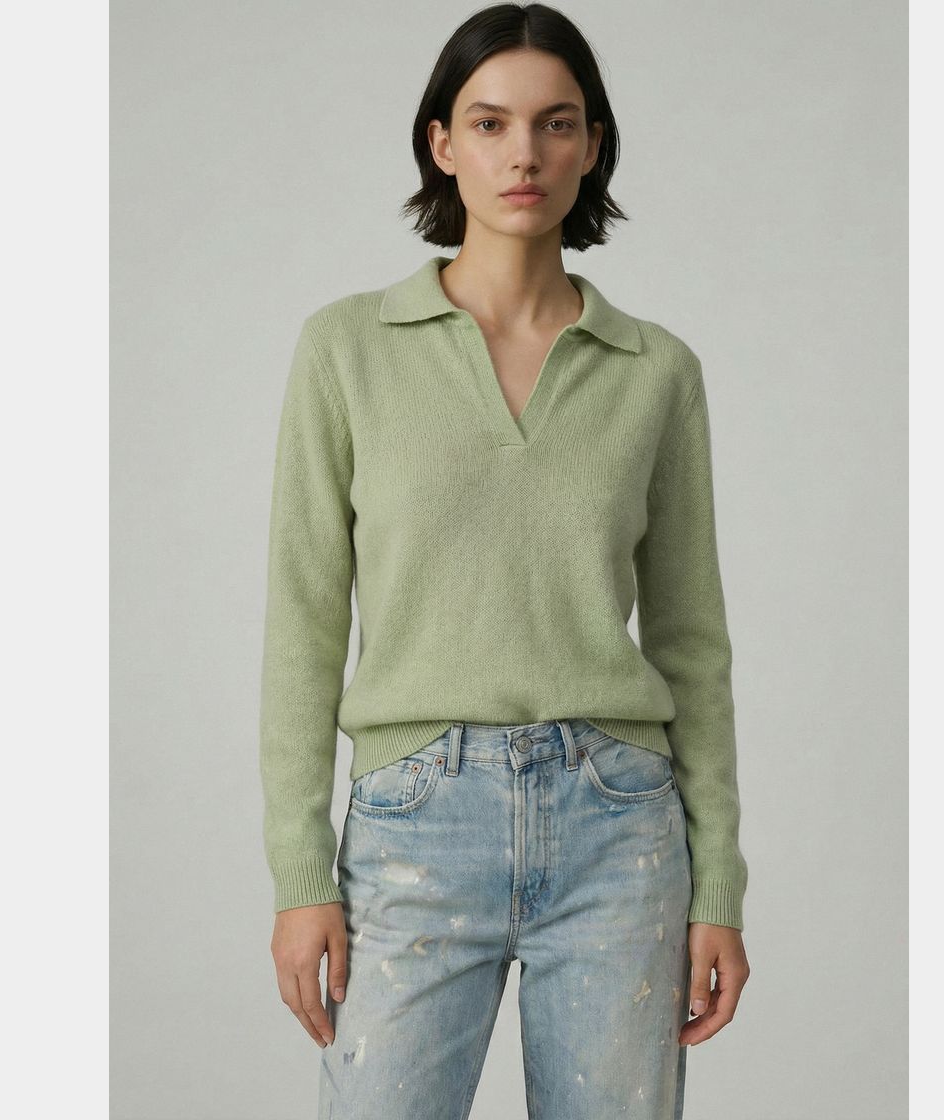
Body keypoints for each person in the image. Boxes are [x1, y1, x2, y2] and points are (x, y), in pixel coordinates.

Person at [259, 4, 751, 1117]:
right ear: (441, 143)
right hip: (415, 819)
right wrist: (299, 873)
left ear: (591, 145)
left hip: (619, 823)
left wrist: (717, 881)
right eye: (489, 123)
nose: (523, 153)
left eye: (555, 123)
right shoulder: (346, 349)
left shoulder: (655, 372)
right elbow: (303, 620)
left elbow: (691, 641)